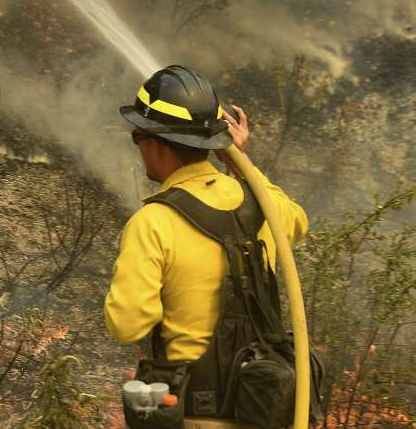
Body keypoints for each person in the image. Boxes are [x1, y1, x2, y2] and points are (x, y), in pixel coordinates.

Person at [105, 65, 309, 429]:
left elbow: (127, 325)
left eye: (138, 137)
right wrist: (237, 161)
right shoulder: (264, 209)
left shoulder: (153, 222)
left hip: (194, 417)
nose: (138, 147)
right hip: (264, 412)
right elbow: (296, 220)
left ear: (154, 140)